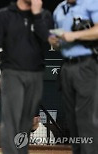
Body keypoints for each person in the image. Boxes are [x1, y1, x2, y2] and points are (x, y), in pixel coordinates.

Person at [0, 0, 52, 153]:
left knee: (26, 121)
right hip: (12, 72)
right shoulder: (5, 15)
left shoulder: (44, 15)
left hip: (35, 74)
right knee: (11, 119)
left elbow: (46, 39)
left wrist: (36, 15)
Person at [48, 0, 98, 153]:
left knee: (87, 118)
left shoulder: (91, 3)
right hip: (67, 66)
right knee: (72, 119)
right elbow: (55, 33)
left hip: (87, 64)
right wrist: (53, 40)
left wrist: (75, 35)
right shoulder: (59, 8)